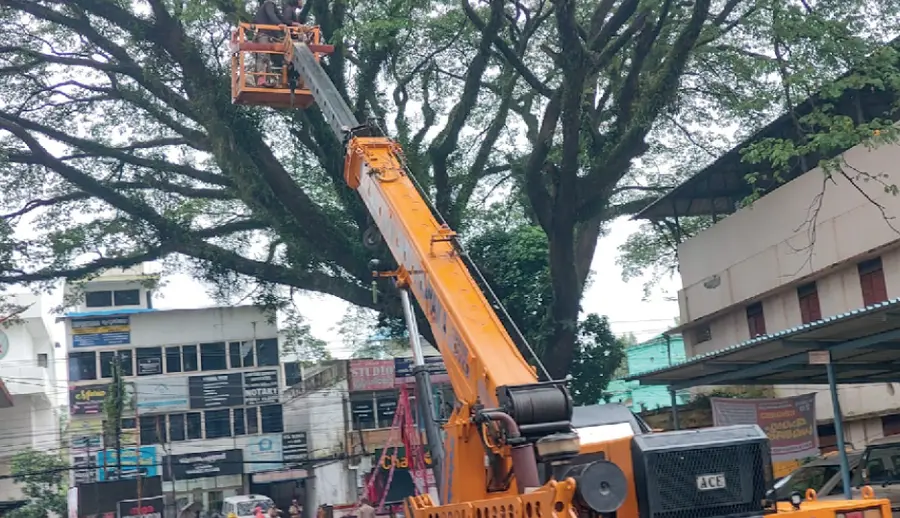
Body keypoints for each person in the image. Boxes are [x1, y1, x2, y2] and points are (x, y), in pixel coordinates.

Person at [250, 0, 285, 86]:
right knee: (263, 56)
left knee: (266, 58)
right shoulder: (269, 4)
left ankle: (266, 80)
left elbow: (278, 17)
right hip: (263, 34)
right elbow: (271, 15)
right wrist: (280, 24)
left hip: (264, 34)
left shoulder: (264, 8)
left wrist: (289, 23)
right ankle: (261, 80)